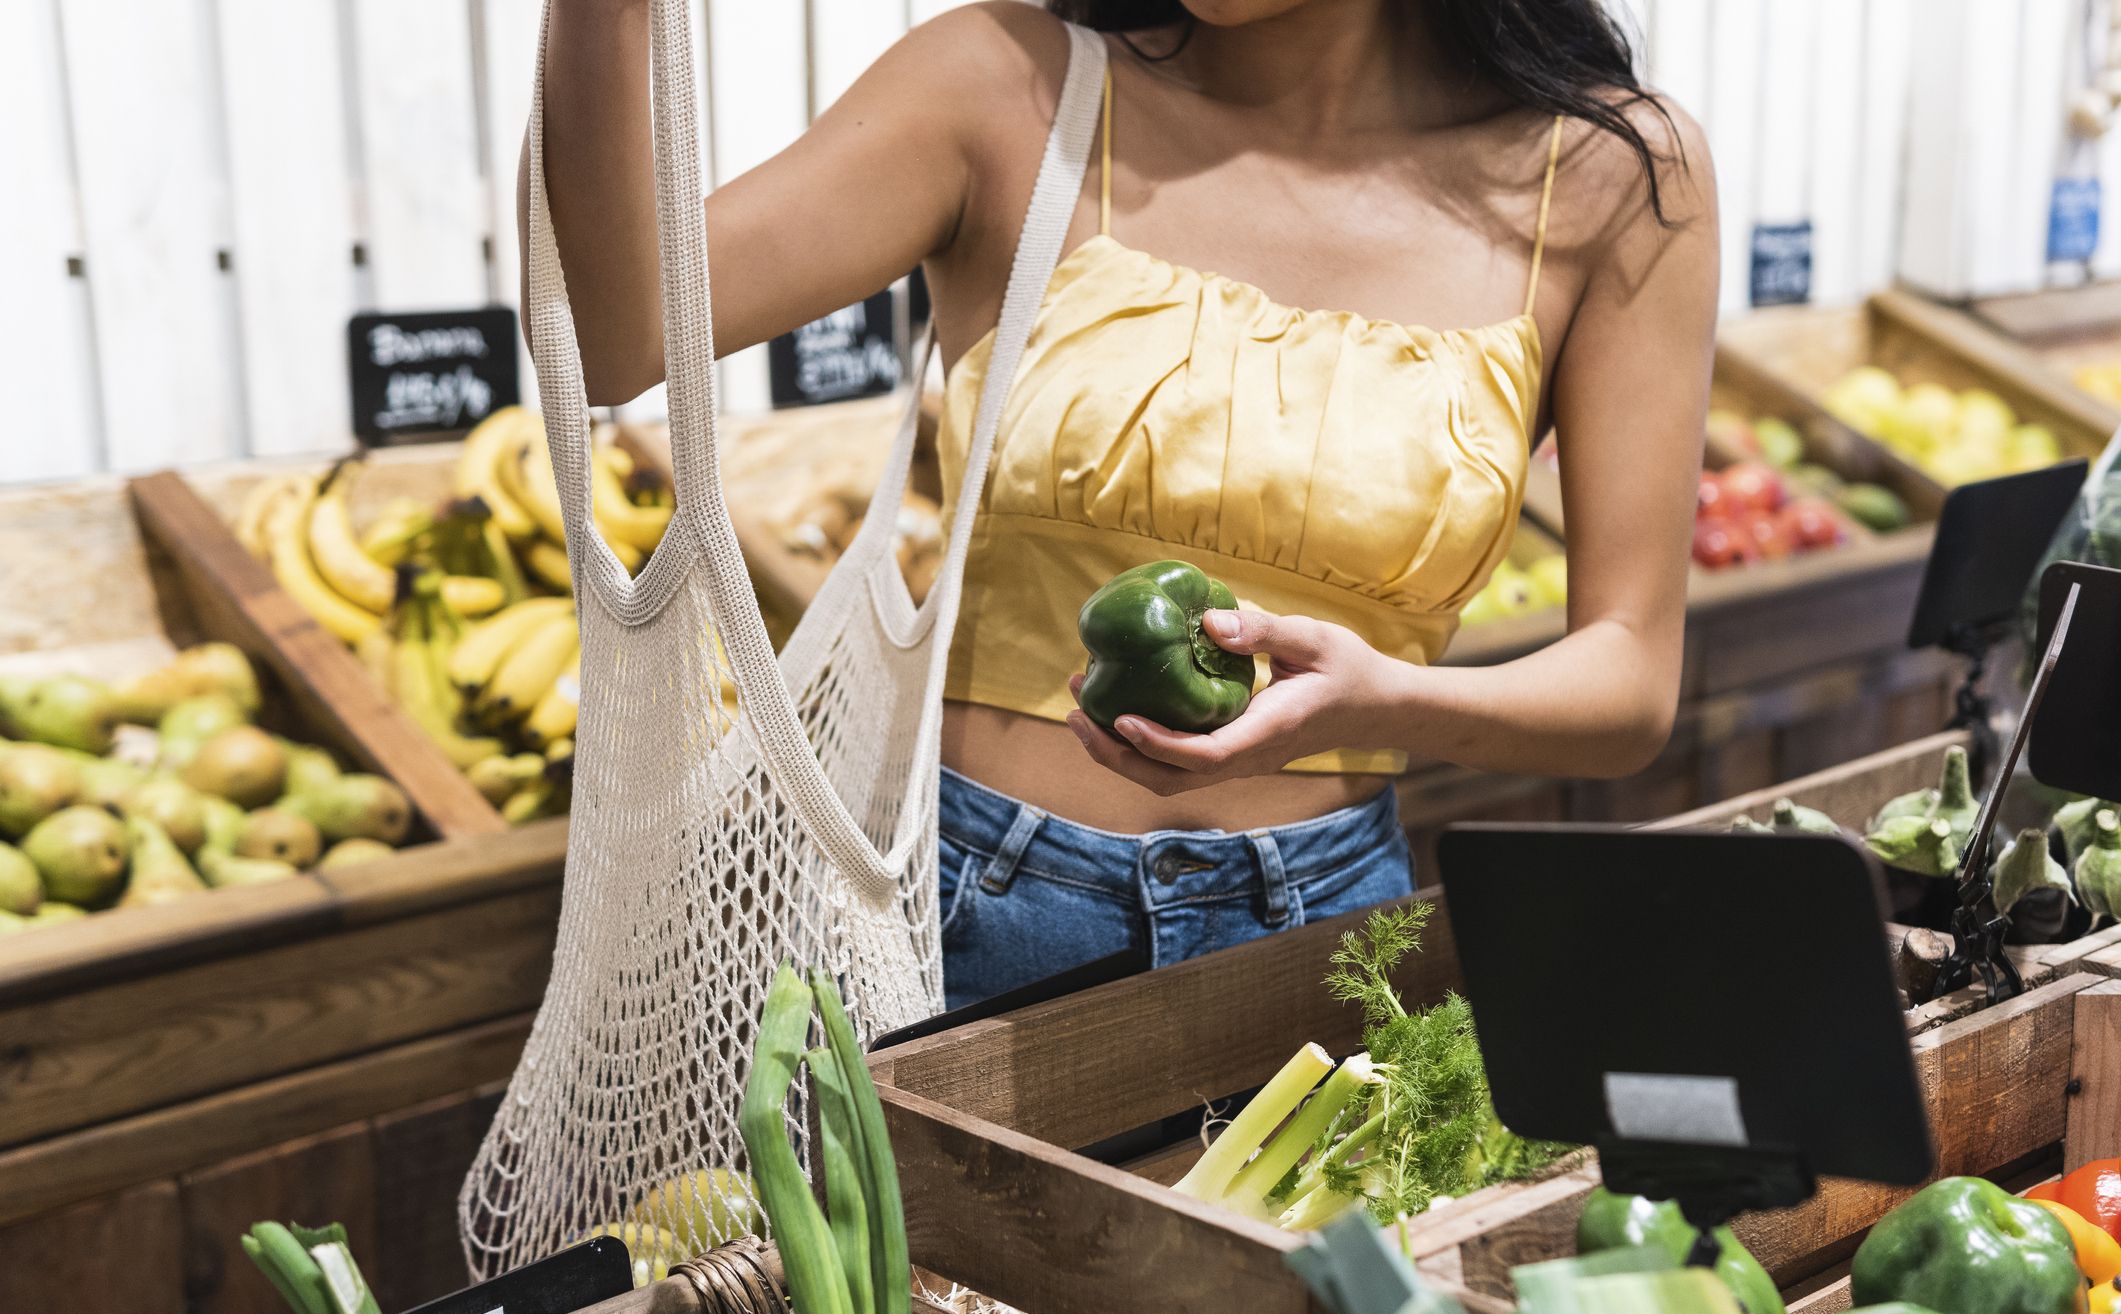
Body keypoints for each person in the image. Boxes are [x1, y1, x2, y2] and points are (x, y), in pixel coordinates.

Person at [533, 0, 1717, 1010]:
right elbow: (615, 339)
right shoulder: (1006, 89)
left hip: (1330, 935)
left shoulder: (1611, 177)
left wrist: (1389, 699)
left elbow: (1627, 679)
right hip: (968, 919)